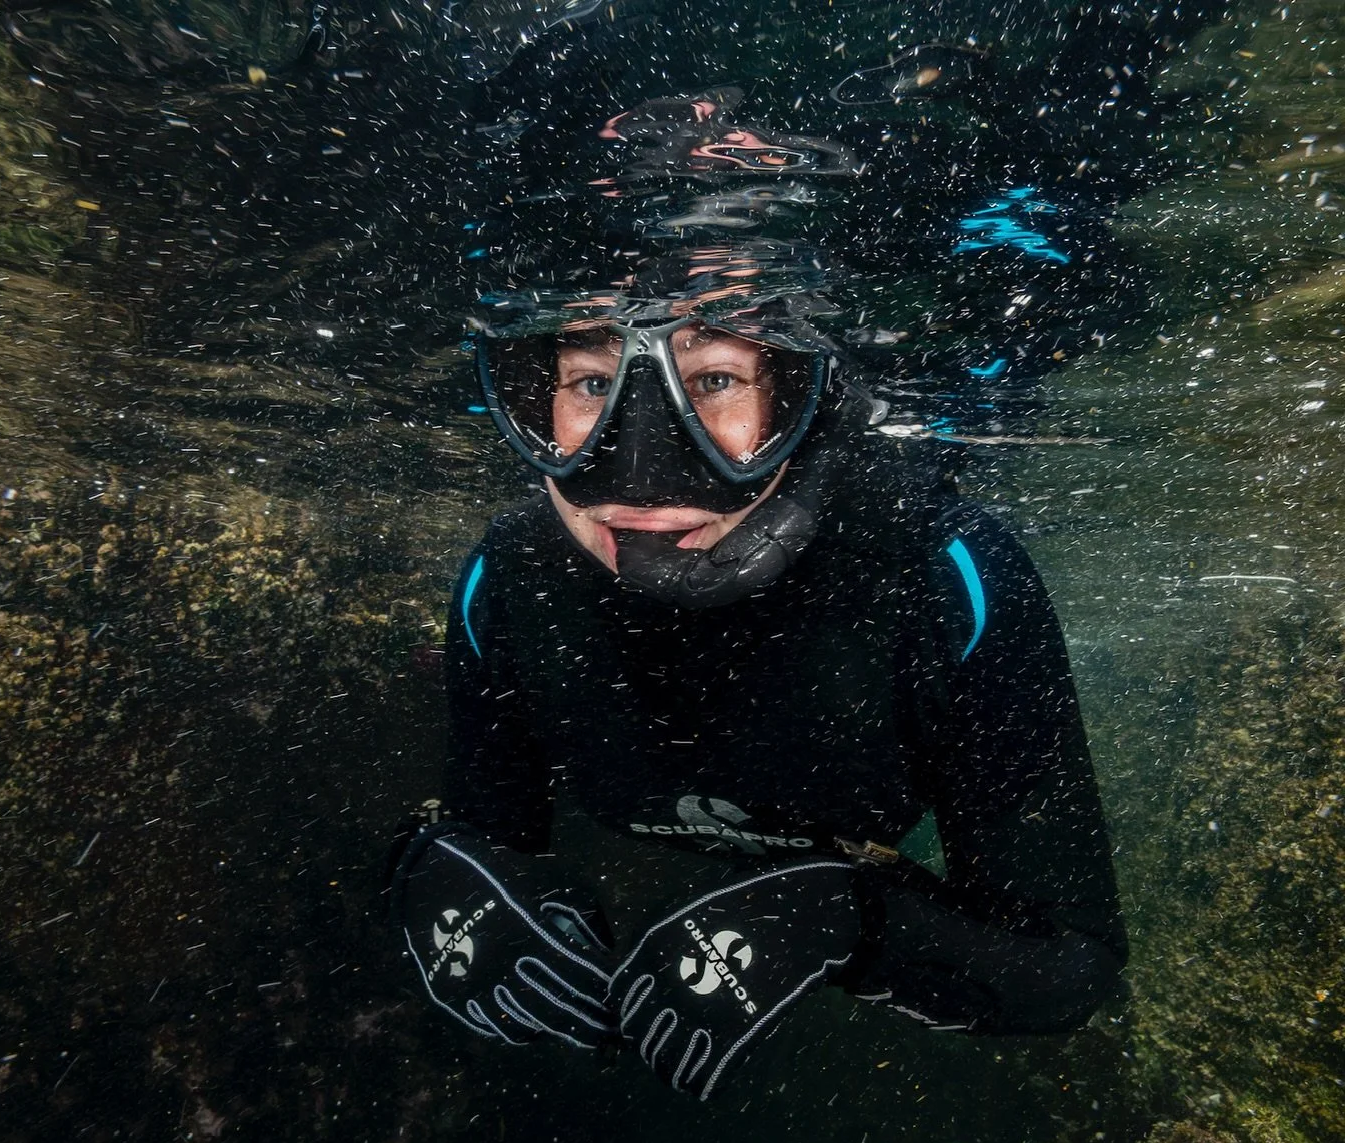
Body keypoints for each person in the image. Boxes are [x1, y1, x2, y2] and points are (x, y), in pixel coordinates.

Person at [389, 284, 1127, 1100]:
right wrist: (432, 865)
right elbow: (482, 827)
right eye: (592, 384)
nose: (635, 474)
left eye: (714, 380)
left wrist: (848, 917)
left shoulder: (941, 573)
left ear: (807, 403)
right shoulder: (509, 577)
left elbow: (1070, 963)